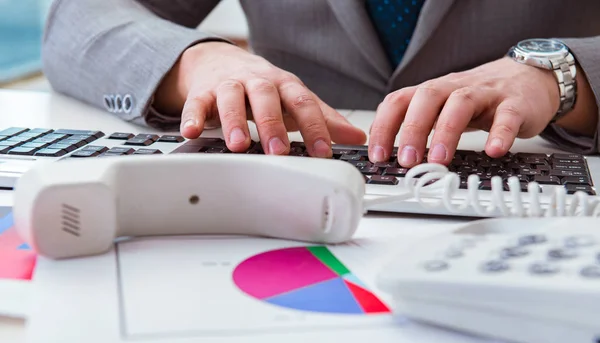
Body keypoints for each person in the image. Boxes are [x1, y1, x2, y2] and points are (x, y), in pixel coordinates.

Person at [42, 0, 600, 168]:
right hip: (287, 186)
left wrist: (563, 76)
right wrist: (198, 62)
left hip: (535, 190)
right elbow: (79, 17)